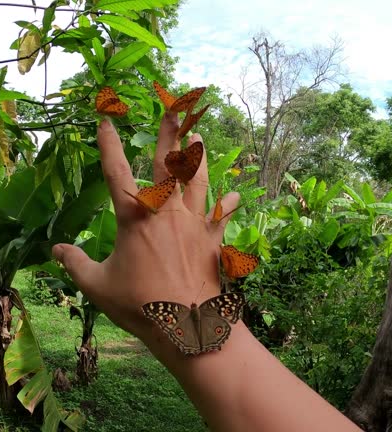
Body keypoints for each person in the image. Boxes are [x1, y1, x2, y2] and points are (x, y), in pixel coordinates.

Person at [52, 114, 361, 431]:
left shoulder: (178, 311)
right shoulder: (216, 309)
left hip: (190, 327)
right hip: (211, 328)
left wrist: (176, 304)